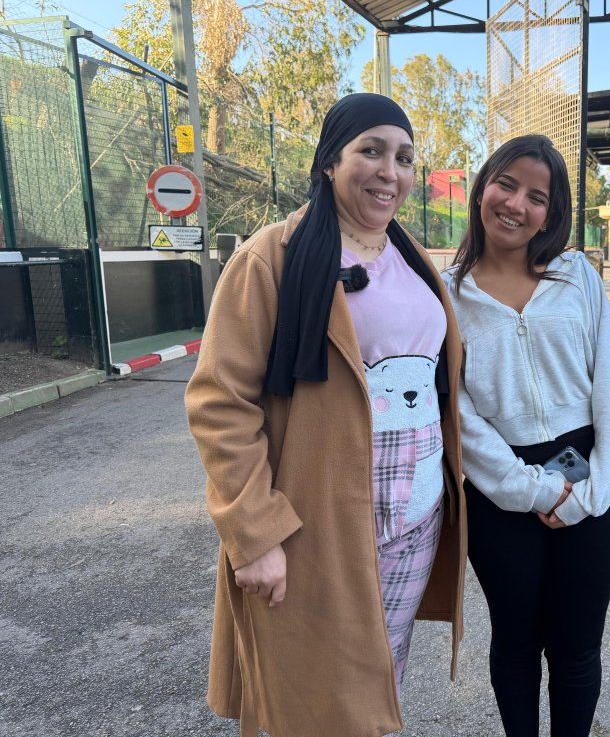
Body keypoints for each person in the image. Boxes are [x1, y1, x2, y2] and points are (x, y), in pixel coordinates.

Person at [184, 93, 467, 737]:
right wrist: (254, 534)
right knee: (314, 698)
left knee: (379, 677)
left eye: (403, 157)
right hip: (321, 525)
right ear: (330, 162)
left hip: (418, 513)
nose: (388, 171)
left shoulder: (412, 258)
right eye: (370, 150)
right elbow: (220, 403)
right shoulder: (272, 259)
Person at [443, 135, 610, 737]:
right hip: (501, 490)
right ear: (482, 188)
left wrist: (591, 490)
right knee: (517, 642)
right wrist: (529, 489)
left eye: (537, 196)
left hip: (590, 472)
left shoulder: (576, 276)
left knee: (577, 647)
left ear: (552, 214)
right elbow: (459, 410)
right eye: (506, 183)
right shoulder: (448, 296)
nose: (516, 204)